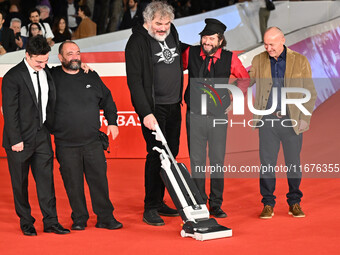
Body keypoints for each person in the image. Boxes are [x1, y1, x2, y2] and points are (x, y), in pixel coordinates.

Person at [1, 35, 70, 236]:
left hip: (42, 135)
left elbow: (63, 73)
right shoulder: (13, 77)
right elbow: (10, 111)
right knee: (20, 184)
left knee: (46, 181)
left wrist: (84, 68)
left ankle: (51, 221)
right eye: (39, 61)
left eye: (46, 60)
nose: (43, 65)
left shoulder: (46, 70)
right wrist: (15, 140)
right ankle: (26, 221)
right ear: (27, 55)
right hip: (20, 139)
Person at [51, 41, 122, 231]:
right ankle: (80, 218)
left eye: (77, 53)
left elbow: (107, 99)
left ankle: (105, 218)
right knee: (73, 184)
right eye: (69, 53)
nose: (75, 57)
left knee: (99, 181)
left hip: (92, 142)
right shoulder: (52, 76)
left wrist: (112, 122)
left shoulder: (91, 75)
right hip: (66, 144)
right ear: (60, 58)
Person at [182, 18, 249, 218]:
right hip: (194, 115)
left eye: (211, 38)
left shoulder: (230, 58)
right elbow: (174, 69)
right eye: (204, 38)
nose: (207, 42)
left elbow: (244, 78)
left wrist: (231, 98)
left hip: (217, 117)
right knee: (197, 160)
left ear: (220, 40)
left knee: (217, 160)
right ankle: (199, 201)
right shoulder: (190, 53)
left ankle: (216, 204)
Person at [248, 27, 317, 219]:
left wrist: (305, 118)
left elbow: (310, 92)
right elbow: (247, 80)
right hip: (267, 121)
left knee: (293, 163)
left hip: (291, 121)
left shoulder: (300, 60)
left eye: (272, 44)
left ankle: (294, 202)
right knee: (267, 164)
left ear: (283, 40)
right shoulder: (259, 60)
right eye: (265, 44)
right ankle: (268, 203)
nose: (268, 48)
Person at [125, 1, 183, 226]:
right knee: (157, 155)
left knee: (172, 153)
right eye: (159, 23)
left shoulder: (172, 32)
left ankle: (159, 201)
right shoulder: (137, 42)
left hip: (174, 104)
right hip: (154, 109)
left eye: (167, 23)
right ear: (147, 21)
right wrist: (145, 113)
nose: (163, 28)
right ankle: (150, 207)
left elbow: (179, 52)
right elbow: (135, 82)